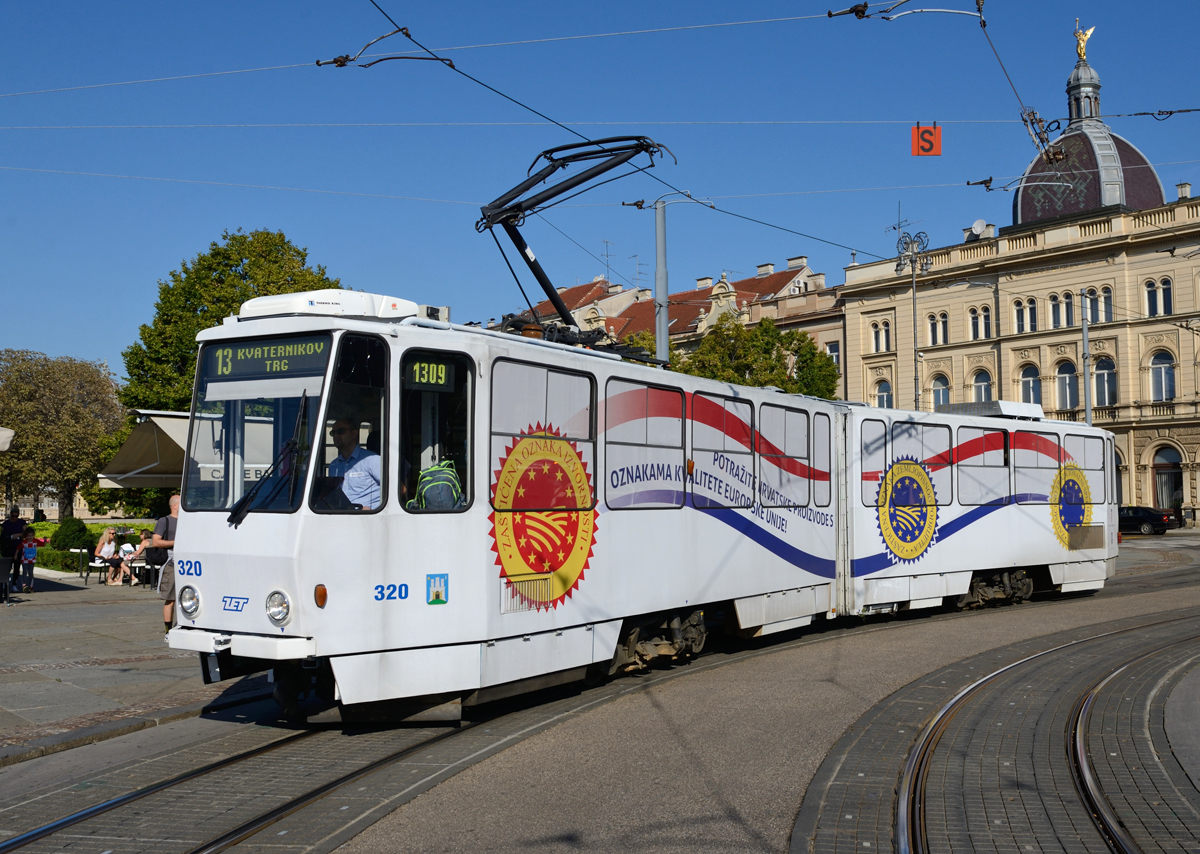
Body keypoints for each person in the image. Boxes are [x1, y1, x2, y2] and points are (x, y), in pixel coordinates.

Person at [327, 418, 382, 510]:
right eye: (333, 433)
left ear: (354, 434)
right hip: (341, 517)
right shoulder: (333, 466)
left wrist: (374, 509)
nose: (336, 435)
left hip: (370, 518)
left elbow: (399, 490)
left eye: (340, 431)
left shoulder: (372, 459)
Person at [154, 495, 180, 641]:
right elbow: (156, 542)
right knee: (170, 598)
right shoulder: (165, 521)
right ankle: (168, 631)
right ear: (175, 506)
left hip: (186, 563)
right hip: (171, 563)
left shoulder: (186, 521)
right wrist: (176, 542)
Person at [1, 507, 24, 595]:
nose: (14, 518)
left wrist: (18, 534)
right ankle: (4, 584)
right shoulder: (6, 524)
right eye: (13, 516)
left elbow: (26, 533)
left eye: (16, 516)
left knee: (17, 568)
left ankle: (14, 584)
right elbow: (2, 536)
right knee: (6, 568)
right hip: (8, 548)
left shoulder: (21, 523)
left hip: (18, 548)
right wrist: (10, 537)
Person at [17, 526, 37, 594]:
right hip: (24, 560)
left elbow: (42, 544)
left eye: (31, 535)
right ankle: (24, 585)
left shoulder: (35, 541)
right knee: (24, 572)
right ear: (26, 536)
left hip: (32, 559)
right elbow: (18, 548)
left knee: (31, 573)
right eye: (28, 535)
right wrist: (15, 555)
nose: (30, 537)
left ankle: (31, 586)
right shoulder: (24, 542)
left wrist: (45, 541)